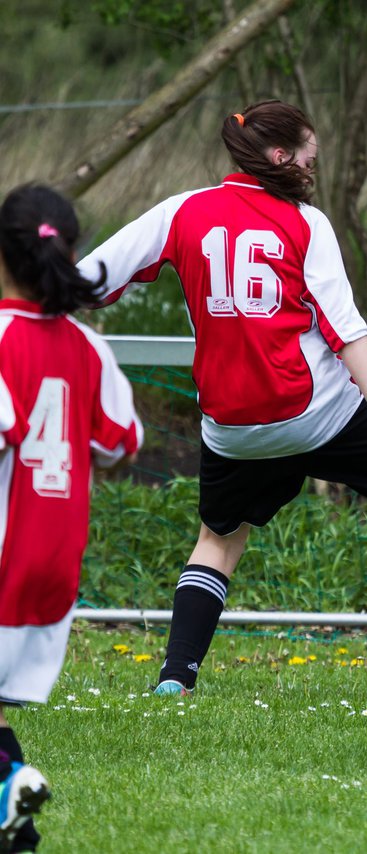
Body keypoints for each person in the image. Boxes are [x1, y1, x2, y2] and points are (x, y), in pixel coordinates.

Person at [77, 100, 367, 705]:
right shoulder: (306, 222)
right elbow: (344, 328)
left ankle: (176, 677)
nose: (312, 166)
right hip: (318, 413)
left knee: (218, 540)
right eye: (308, 155)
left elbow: (90, 279)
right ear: (280, 157)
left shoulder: (181, 211)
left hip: (233, 427)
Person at [0, 184, 144, 852]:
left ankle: (7, 782)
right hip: (50, 573)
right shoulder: (89, 349)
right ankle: (15, 812)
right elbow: (117, 446)